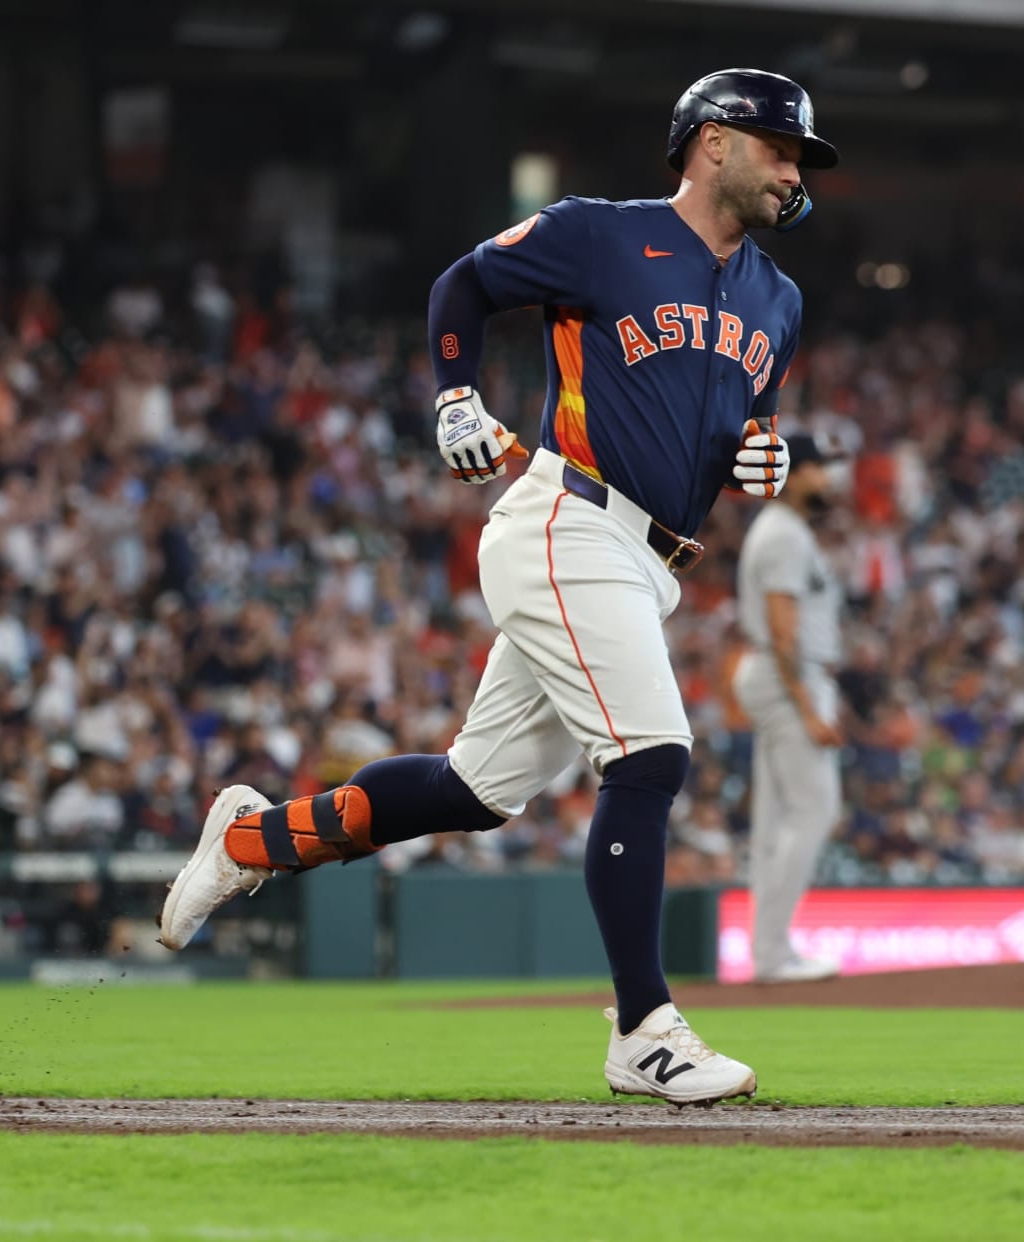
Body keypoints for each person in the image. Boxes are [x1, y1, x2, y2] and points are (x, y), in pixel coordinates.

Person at [159, 68, 835, 1106]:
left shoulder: (776, 299)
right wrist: (455, 395)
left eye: (801, 157)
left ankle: (252, 837)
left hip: (649, 561)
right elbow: (464, 287)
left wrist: (765, 456)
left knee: (473, 793)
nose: (794, 170)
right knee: (650, 756)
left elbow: (743, 425)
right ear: (711, 144)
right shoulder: (605, 235)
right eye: (780, 148)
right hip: (569, 520)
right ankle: (643, 1029)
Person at [733, 432, 849, 984]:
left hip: (783, 678)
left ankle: (768, 951)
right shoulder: (783, 533)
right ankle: (773, 953)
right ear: (795, 473)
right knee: (815, 809)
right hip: (788, 679)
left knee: (777, 820)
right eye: (819, 469)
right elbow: (783, 634)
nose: (828, 479)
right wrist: (807, 706)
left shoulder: (786, 530)